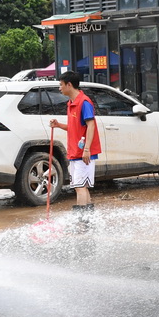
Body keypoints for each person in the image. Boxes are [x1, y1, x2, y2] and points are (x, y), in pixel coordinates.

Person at [49, 71, 101, 225]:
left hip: (83, 153)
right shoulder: (72, 103)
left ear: (69, 85)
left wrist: (87, 149)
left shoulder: (84, 102)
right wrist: (58, 125)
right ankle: (88, 220)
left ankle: (81, 221)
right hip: (75, 152)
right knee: (82, 186)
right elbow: (74, 127)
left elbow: (91, 125)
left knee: (79, 187)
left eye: (61, 85)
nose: (59, 88)